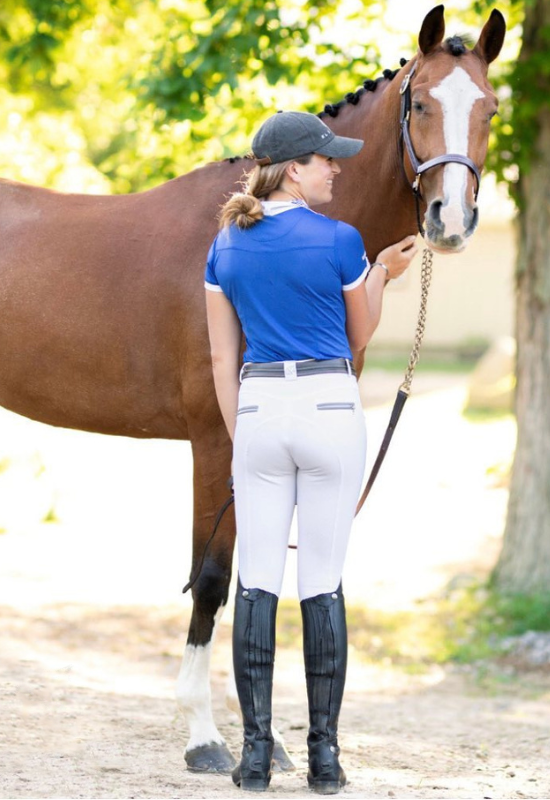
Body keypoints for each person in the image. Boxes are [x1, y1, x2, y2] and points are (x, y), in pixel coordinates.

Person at [204, 111, 418, 794]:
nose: (336, 167)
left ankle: (255, 756)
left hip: (260, 407)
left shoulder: (226, 245)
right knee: (321, 581)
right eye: (326, 160)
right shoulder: (341, 241)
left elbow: (220, 354)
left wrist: (244, 435)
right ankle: (324, 759)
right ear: (293, 167)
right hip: (328, 407)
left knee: (257, 580)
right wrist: (383, 274)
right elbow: (358, 336)